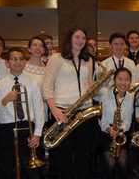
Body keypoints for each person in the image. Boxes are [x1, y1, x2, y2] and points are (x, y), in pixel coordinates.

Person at [43, 28, 95, 179]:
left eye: (83, 38)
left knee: (83, 154)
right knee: (63, 155)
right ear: (69, 39)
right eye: (77, 37)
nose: (80, 40)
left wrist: (98, 86)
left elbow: (89, 84)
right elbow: (47, 86)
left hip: (84, 111)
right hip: (63, 112)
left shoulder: (88, 60)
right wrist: (55, 111)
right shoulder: (57, 58)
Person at [0, 47, 45, 179]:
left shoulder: (32, 82)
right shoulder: (0, 85)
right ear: (7, 63)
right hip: (6, 129)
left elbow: (39, 109)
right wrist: (5, 100)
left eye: (20, 59)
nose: (17, 62)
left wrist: (37, 134)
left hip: (27, 127)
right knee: (8, 167)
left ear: (25, 62)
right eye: (13, 59)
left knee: (29, 170)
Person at [96, 67, 133, 179]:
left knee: (123, 163)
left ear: (130, 81)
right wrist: (109, 130)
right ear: (114, 80)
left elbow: (128, 121)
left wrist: (120, 130)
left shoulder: (131, 97)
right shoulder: (105, 94)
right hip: (106, 132)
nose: (123, 82)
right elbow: (100, 119)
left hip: (121, 134)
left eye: (126, 79)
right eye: (120, 79)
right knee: (110, 164)